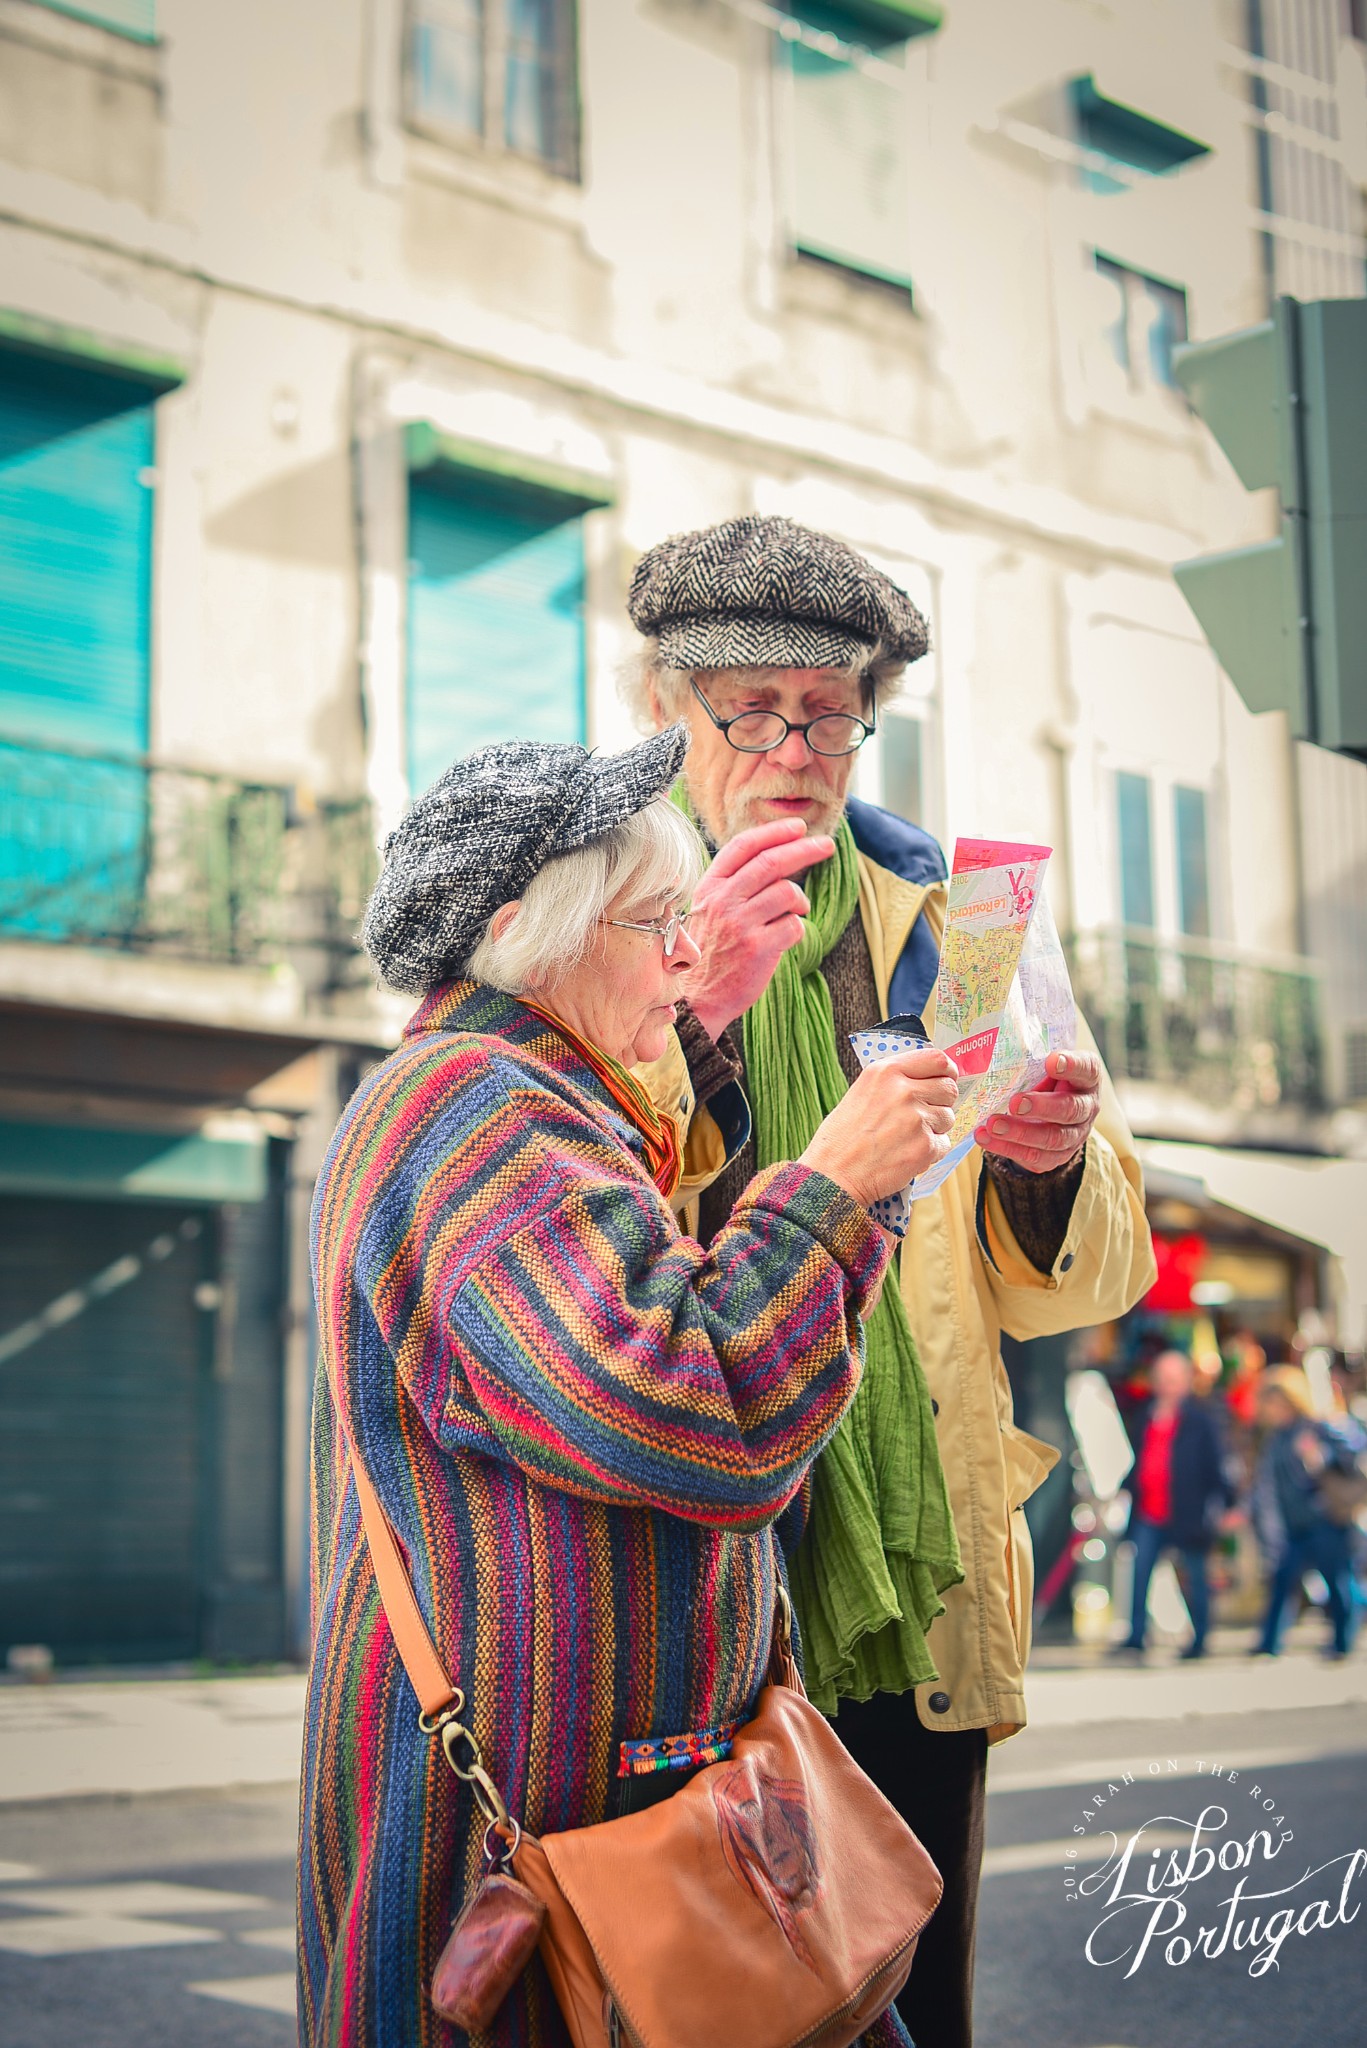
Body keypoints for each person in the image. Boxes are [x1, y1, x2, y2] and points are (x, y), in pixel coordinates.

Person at [298, 724, 961, 2048]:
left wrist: (698, 1023)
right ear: (524, 932)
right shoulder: (475, 1112)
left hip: (620, 1819)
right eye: (652, 921)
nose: (684, 952)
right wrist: (833, 1188)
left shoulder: (528, 1091)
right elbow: (695, 1419)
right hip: (551, 1843)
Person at [624, 513, 1157, 2048]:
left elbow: (1080, 1279)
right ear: (668, 703)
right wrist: (691, 1021)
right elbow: (563, 1197)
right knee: (684, 2001)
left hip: (908, 1591)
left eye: (834, 712)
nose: (797, 746)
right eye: (754, 710)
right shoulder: (601, 911)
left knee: (907, 2001)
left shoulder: (956, 926)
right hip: (687, 1577)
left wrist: (1043, 1166)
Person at [1118, 1349, 1235, 1659]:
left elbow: (1216, 1465)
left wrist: (1228, 1504)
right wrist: (1124, 1487)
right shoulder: (1145, 1415)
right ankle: (1136, 1635)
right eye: (1161, 1379)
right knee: (1140, 1573)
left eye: (1172, 1379)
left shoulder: (1201, 1419)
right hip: (1149, 1510)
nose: (1166, 1385)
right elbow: (1139, 1459)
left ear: (1185, 1381)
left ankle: (1200, 1639)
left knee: (1196, 1577)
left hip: (1187, 1512)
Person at [1252, 1366, 1361, 1660]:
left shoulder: (1318, 1426)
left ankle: (1342, 1642)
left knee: (1338, 1583)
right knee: (1282, 1582)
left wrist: (1320, 1456)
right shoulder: (1276, 1437)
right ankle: (1269, 1644)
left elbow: (1353, 1456)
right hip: (1294, 1525)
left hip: (1325, 1520)